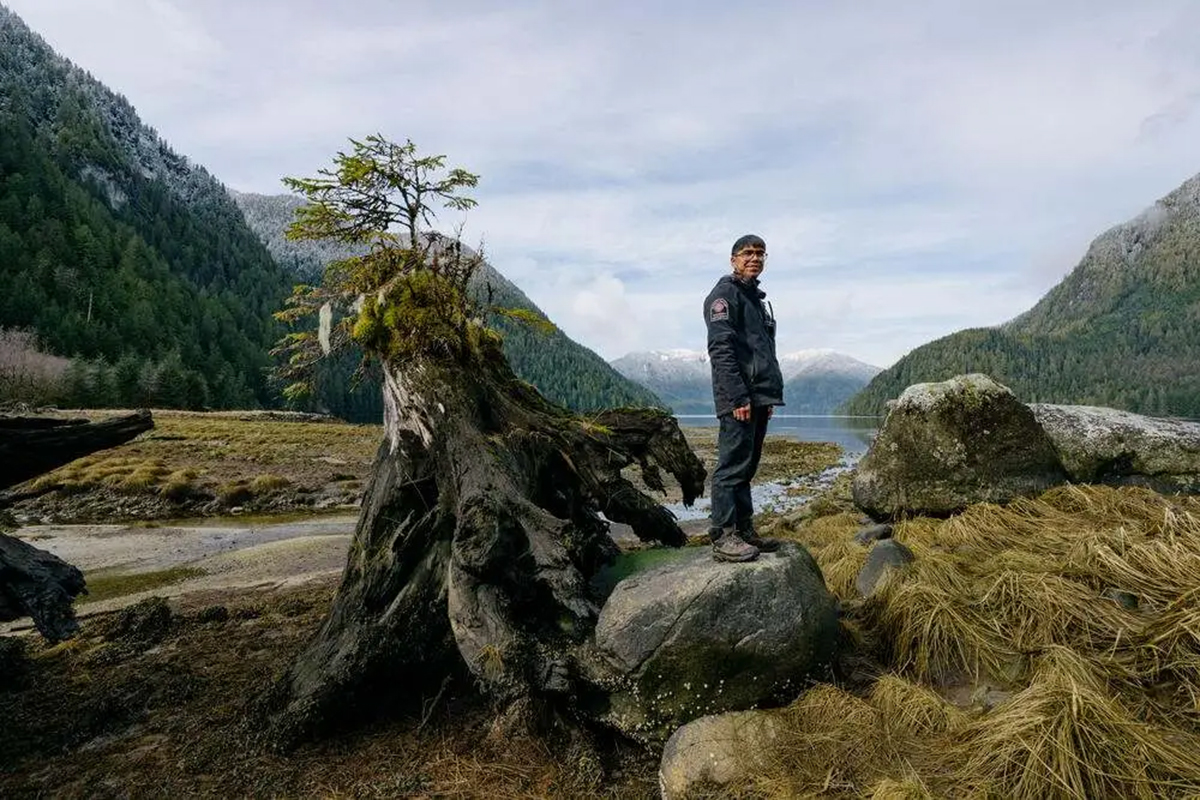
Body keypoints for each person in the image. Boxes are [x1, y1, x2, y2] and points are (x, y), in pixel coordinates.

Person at [703, 234, 785, 562]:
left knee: (747, 467)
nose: (755, 258)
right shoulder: (724, 296)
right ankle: (723, 535)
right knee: (731, 466)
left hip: (757, 399)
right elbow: (721, 351)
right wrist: (738, 398)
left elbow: (761, 354)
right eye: (747, 253)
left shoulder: (755, 300)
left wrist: (764, 401)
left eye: (760, 253)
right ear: (733, 259)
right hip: (737, 398)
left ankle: (744, 528)